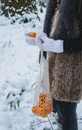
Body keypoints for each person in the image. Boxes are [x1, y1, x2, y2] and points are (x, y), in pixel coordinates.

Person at [25, 0, 82, 130]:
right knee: (55, 107)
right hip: (52, 65)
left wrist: (65, 46)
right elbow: (54, 28)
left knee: (66, 112)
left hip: (71, 69)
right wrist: (39, 38)